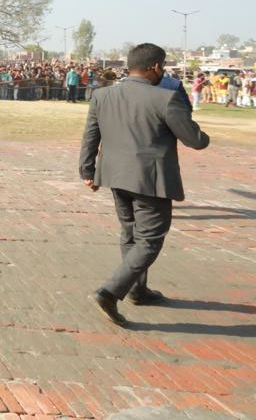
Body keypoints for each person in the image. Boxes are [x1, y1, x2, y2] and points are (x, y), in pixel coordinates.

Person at [79, 43, 209, 326]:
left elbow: (90, 135)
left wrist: (87, 170)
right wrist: (199, 130)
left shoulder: (103, 95)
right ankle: (110, 291)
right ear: (156, 67)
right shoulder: (166, 98)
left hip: (114, 175)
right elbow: (194, 140)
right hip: (150, 179)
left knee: (130, 234)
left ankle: (137, 289)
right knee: (149, 239)